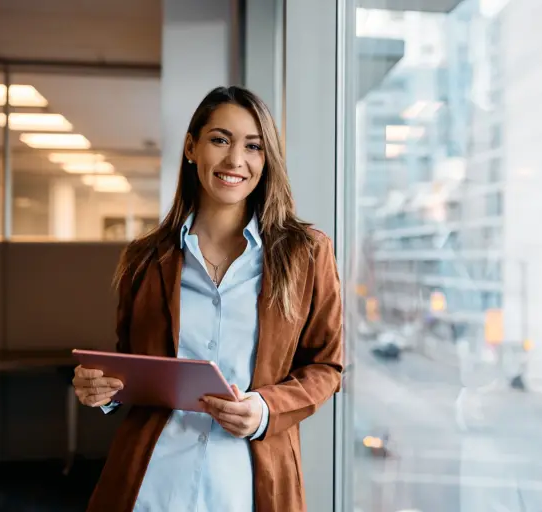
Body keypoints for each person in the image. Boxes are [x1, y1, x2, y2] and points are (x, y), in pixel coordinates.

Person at [72, 86, 344, 512]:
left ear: (266, 158)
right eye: (220, 139)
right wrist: (102, 390)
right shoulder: (146, 259)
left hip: (250, 486)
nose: (236, 160)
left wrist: (265, 409)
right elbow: (132, 362)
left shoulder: (306, 253)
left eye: (253, 146)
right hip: (153, 485)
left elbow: (327, 365)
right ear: (191, 147)